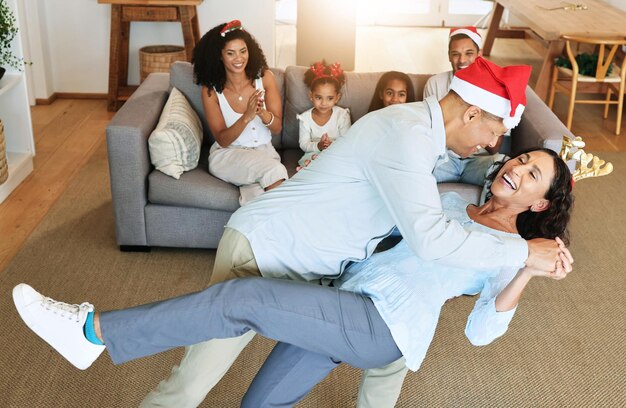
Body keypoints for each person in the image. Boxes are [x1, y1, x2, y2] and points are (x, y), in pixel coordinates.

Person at [133, 56, 566, 408]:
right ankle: (99, 332)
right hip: (273, 249)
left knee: (384, 351)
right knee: (194, 382)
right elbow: (427, 241)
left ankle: (101, 330)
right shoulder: (413, 140)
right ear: (471, 112)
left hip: (328, 275)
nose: (495, 147)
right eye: (494, 133)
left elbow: (454, 296)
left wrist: (521, 259)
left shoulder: (421, 135)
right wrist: (524, 256)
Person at [12, 149, 575, 407]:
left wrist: (525, 269)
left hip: (383, 329)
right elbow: (434, 166)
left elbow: (481, 334)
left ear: (542, 200)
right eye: (520, 159)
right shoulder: (452, 206)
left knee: (241, 297)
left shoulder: (514, 251)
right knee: (262, 403)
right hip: (344, 303)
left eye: (532, 174)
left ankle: (92, 334)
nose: (516, 170)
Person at [196, 20, 288, 205]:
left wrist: (262, 113)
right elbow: (222, 140)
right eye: (231, 53)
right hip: (228, 155)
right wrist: (247, 116)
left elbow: (277, 128)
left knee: (256, 200)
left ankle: (246, 232)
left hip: (264, 154)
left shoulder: (265, 78)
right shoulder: (211, 90)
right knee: (275, 171)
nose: (239, 58)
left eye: (243, 51)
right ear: (220, 56)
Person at [424, 27, 507, 200]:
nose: (462, 60)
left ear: (479, 54)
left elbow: (494, 146)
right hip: (443, 160)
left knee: (504, 165)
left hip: (478, 162)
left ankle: (487, 221)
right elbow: (431, 135)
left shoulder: (497, 90)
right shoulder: (435, 84)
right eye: (455, 54)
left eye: (469, 53)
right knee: (418, 168)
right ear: (448, 56)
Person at [297, 61, 351, 169]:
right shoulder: (305, 118)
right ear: (311, 96)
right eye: (318, 97)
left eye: (330, 98)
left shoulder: (342, 115)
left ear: (337, 97)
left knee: (338, 162)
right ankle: (312, 170)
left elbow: (347, 141)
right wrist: (318, 146)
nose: (324, 103)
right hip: (313, 154)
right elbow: (303, 143)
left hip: (335, 153)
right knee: (314, 161)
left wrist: (331, 145)